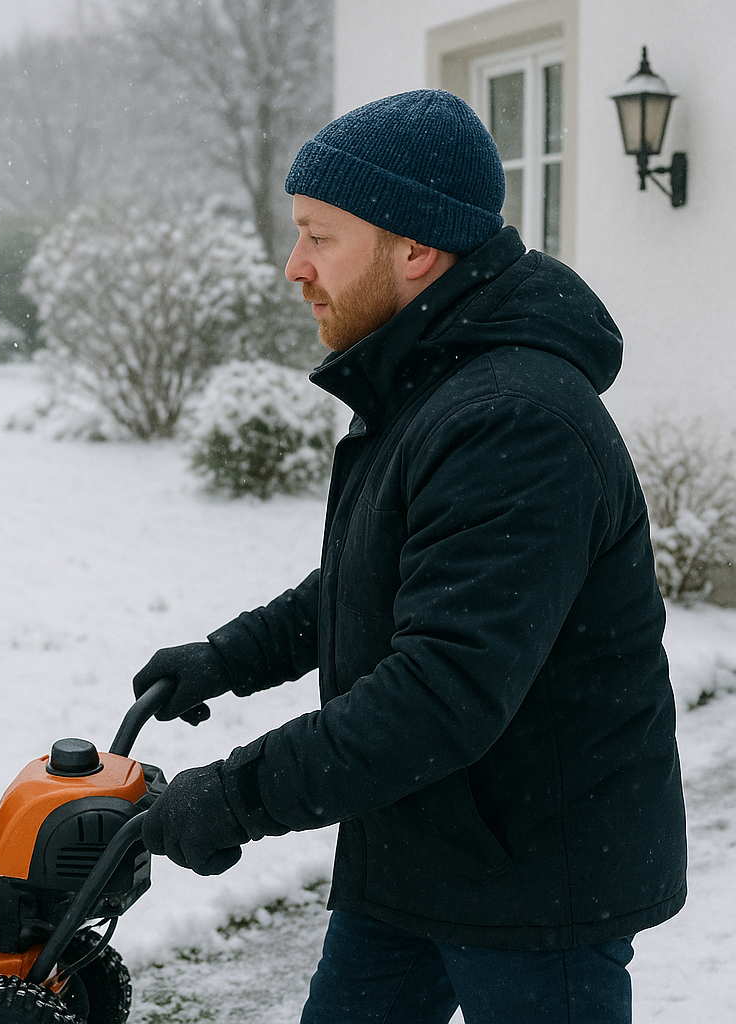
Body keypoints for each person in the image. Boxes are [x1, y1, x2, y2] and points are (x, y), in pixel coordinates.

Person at [132, 90, 687, 1023]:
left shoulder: (516, 420)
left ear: (416, 251)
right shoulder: (435, 381)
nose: (292, 266)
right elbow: (374, 580)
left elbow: (441, 689)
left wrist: (233, 798)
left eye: (319, 236)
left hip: (533, 879)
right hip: (417, 838)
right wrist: (228, 660)